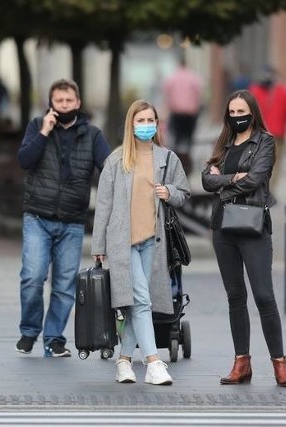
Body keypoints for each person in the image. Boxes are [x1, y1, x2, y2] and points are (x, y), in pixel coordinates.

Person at [91, 100, 190, 385]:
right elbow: (104, 205)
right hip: (123, 243)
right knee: (142, 300)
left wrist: (168, 191)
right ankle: (153, 363)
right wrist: (99, 245)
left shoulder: (167, 158)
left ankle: (124, 361)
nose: (145, 125)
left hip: (153, 242)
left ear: (157, 125)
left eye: (150, 120)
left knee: (137, 304)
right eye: (140, 120)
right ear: (130, 124)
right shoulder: (116, 159)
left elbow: (183, 192)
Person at [200, 90, 286, 388]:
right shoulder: (223, 143)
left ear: (253, 112)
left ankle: (280, 364)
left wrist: (222, 183)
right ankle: (242, 362)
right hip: (222, 229)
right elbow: (206, 179)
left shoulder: (265, 141)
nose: (237, 117)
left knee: (264, 295)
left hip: (253, 226)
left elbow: (256, 179)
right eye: (232, 112)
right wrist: (231, 180)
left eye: (242, 112)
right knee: (235, 296)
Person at [16, 78, 111, 357]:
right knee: (32, 278)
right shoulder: (37, 126)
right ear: (51, 104)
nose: (65, 105)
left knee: (64, 284)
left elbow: (107, 169)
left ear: (78, 103)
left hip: (72, 219)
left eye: (69, 100)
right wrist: (44, 132)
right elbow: (24, 160)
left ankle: (54, 338)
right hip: (38, 215)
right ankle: (30, 331)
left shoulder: (92, 134)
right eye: (59, 101)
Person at [249, 66, 286, 193]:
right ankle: (269, 191)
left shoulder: (253, 91)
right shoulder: (282, 91)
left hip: (257, 134)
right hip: (276, 135)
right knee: (275, 164)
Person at [162, 57, 204, 155]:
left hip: (176, 112)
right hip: (190, 112)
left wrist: (169, 105)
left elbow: (166, 92)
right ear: (186, 64)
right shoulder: (193, 76)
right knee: (189, 136)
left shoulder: (172, 77)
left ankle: (177, 156)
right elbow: (199, 92)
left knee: (177, 135)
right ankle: (188, 155)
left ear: (179, 64)